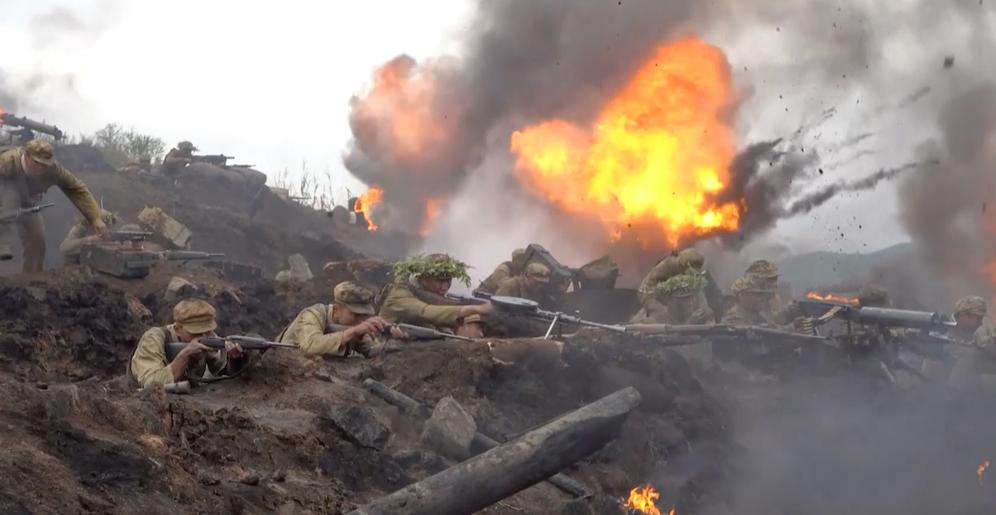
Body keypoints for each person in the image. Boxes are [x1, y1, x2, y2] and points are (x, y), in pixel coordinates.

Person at [0, 139, 107, 270]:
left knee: (37, 238)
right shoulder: (7, 162)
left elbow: (76, 188)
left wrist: (95, 217)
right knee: (10, 196)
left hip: (29, 204)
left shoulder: (53, 170)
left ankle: (32, 277)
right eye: (36, 163)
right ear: (27, 156)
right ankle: (3, 243)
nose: (40, 168)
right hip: (3, 202)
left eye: (44, 164)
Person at [127, 299, 245, 388]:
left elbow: (221, 372)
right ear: (177, 328)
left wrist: (234, 359)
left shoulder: (209, 337)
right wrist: (184, 356)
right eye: (196, 333)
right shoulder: (153, 339)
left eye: (207, 332)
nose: (203, 337)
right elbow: (151, 385)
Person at [380, 253, 494, 338]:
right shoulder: (399, 294)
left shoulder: (430, 294)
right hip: (381, 347)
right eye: (439, 281)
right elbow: (426, 311)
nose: (445, 287)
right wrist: (478, 308)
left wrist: (473, 321)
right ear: (423, 278)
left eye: (448, 281)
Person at [277, 281, 402, 357]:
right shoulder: (313, 315)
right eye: (355, 314)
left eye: (364, 315)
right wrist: (352, 332)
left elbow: (369, 351)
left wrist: (391, 340)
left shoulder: (353, 326)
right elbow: (310, 346)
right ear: (337, 309)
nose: (360, 321)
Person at [630, 269, 715, 325]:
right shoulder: (654, 319)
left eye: (692, 297)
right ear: (668, 299)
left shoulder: (698, 304)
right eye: (684, 298)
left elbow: (710, 318)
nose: (690, 302)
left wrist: (707, 321)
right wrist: (688, 327)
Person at [948, 297, 996, 391]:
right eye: (978, 318)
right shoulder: (941, 337)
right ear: (964, 316)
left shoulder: (977, 339)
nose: (981, 323)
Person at [494, 262, 559, 307]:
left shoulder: (539, 293)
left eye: (542, 283)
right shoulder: (511, 286)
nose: (539, 286)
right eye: (537, 282)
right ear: (527, 276)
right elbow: (496, 307)